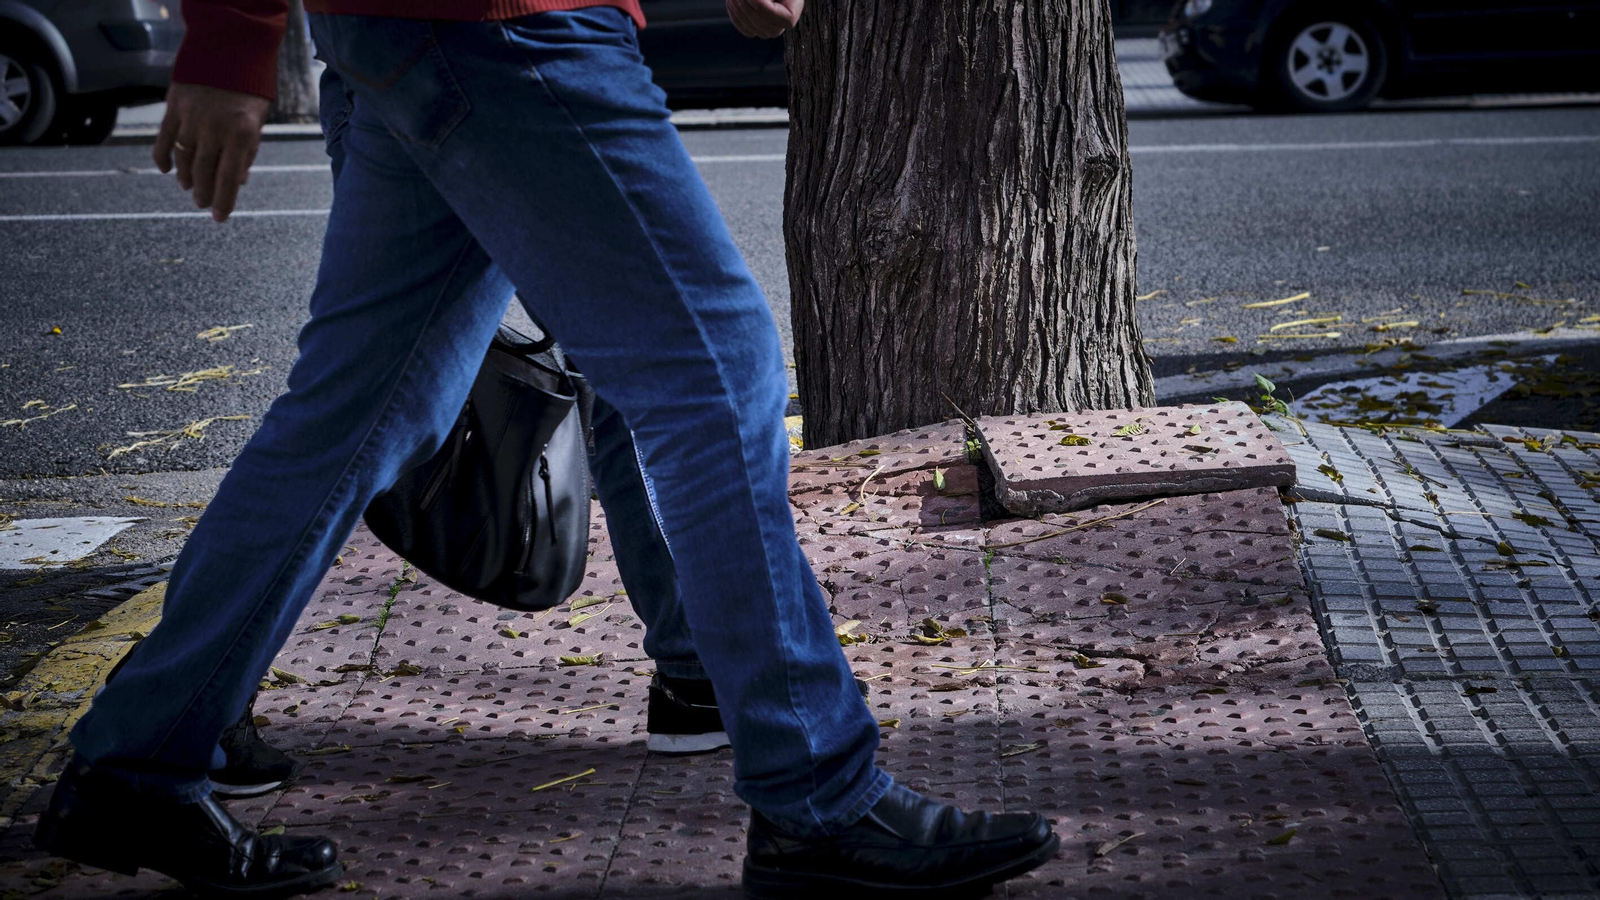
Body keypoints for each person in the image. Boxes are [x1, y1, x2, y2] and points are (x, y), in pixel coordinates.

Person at [32, 1, 1062, 897]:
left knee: (361, 416)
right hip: (503, 30)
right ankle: (817, 795)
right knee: (714, 372)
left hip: (413, 32)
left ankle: (136, 762)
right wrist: (231, 37)